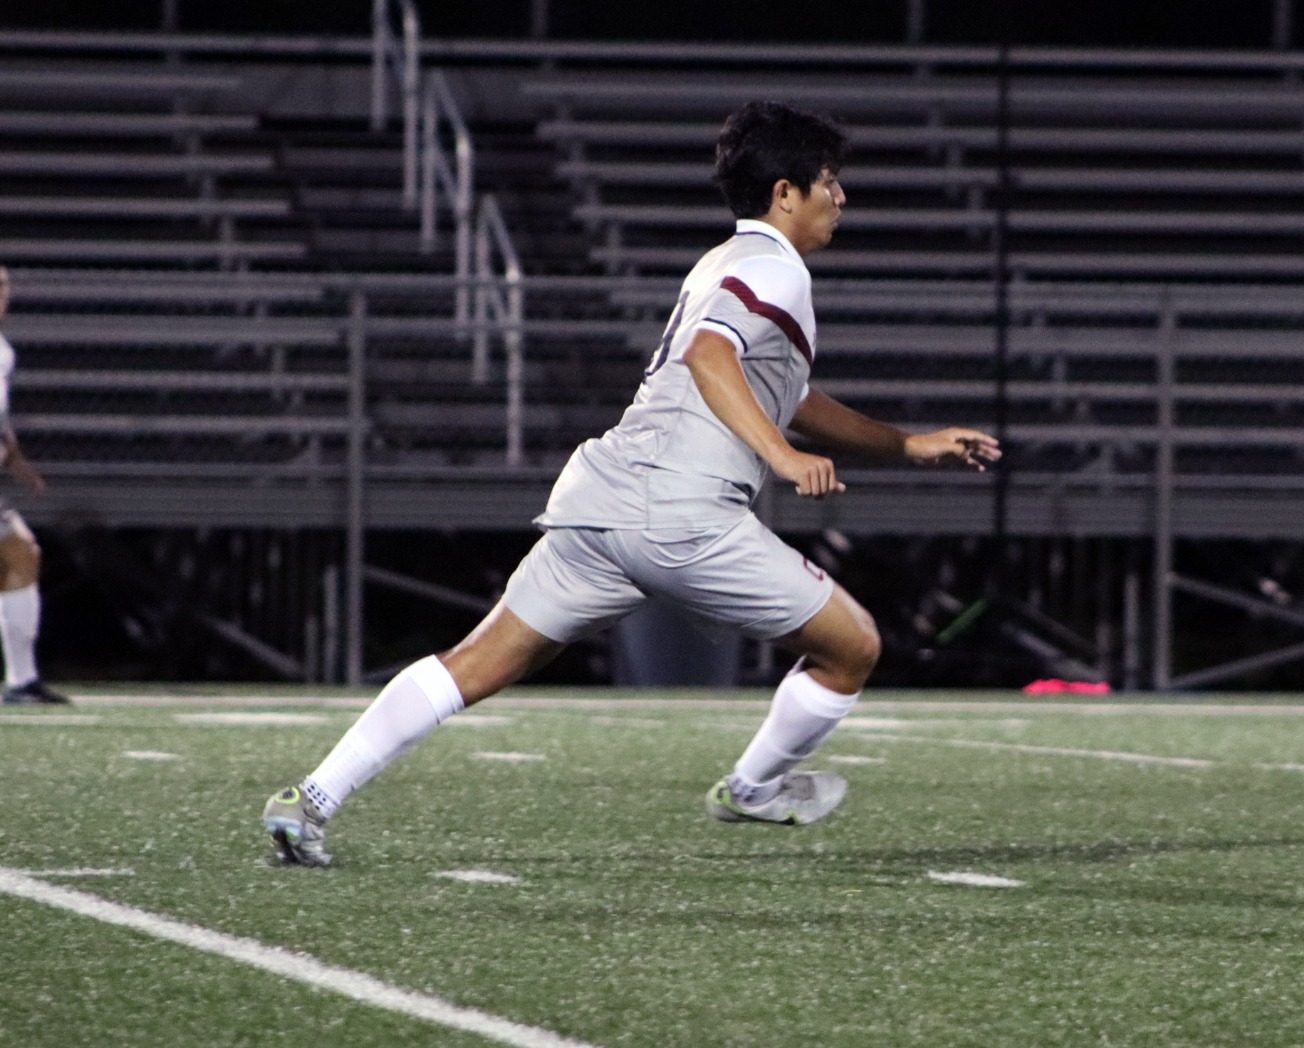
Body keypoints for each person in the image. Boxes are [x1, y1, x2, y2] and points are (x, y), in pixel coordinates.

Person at [261, 102, 1000, 866]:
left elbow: (793, 398)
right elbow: (712, 360)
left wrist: (909, 444)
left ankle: (310, 799)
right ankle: (751, 789)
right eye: (829, 182)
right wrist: (779, 458)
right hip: (682, 511)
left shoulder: (723, 261)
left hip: (604, 497)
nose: (840, 198)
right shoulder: (778, 270)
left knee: (479, 660)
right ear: (785, 193)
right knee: (853, 646)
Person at [0, 267, 68, 705]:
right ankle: (21, 680)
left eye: (4, 288)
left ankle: (23, 680)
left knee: (21, 552)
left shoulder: (3, 351)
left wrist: (18, 461)